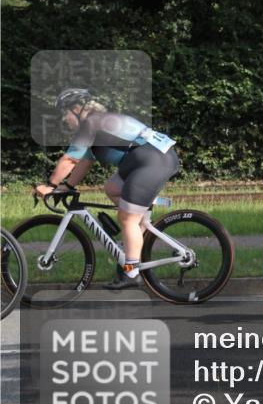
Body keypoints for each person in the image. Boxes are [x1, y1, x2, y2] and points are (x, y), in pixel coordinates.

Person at [33, 88, 180, 290]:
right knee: (112, 188)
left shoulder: (91, 123)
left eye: (65, 113)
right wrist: (65, 187)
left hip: (150, 161)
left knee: (127, 218)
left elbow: (70, 159)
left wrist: (50, 186)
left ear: (77, 109)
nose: (64, 120)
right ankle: (140, 231)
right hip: (147, 160)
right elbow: (83, 162)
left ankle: (131, 273)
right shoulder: (100, 124)